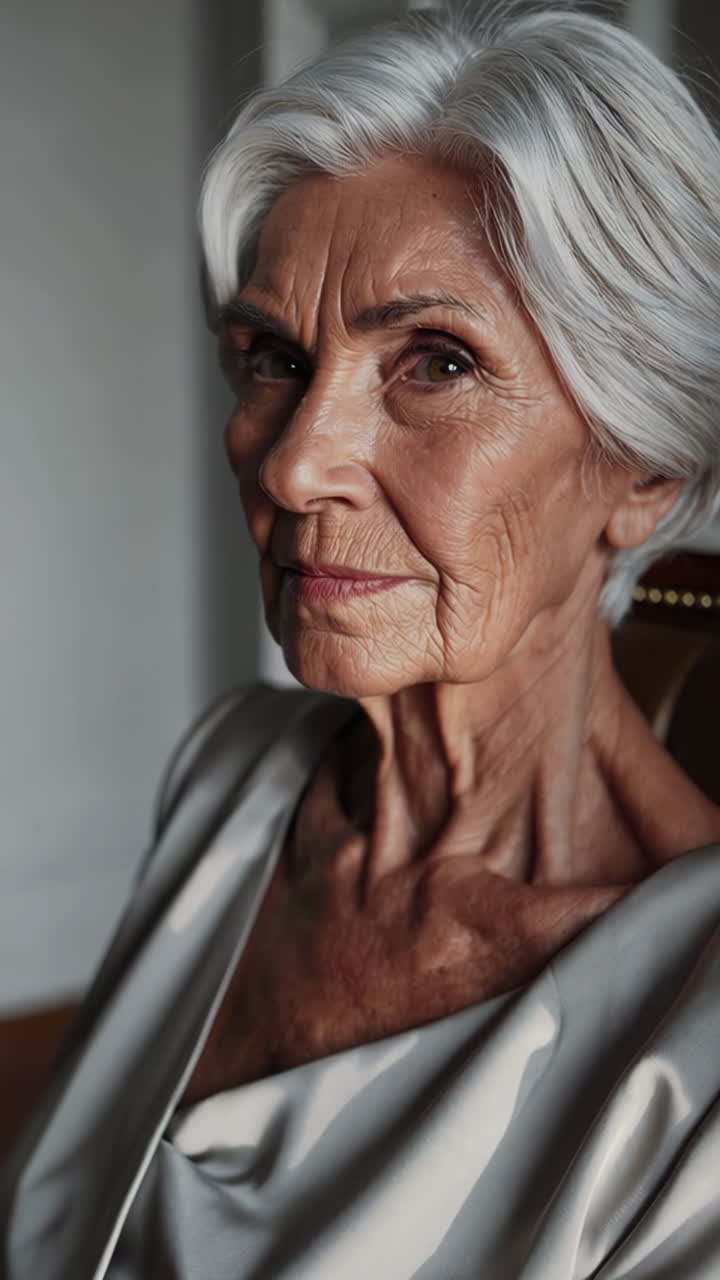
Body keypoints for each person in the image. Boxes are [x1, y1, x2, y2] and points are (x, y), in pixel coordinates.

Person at [3, 3, 720, 1276]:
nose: (292, 461)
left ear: (646, 469)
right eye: (272, 354)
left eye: (434, 362)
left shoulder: (696, 1045)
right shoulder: (235, 778)